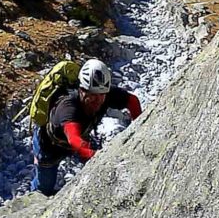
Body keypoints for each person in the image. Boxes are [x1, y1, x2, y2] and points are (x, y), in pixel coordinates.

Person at [30, 58, 142, 196]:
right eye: (92, 97)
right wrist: (95, 157)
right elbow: (74, 139)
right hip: (49, 146)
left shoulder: (103, 93)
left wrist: (139, 130)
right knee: (44, 188)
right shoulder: (67, 107)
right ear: (82, 90)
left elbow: (132, 101)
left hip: (80, 137)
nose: (98, 101)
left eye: (101, 96)